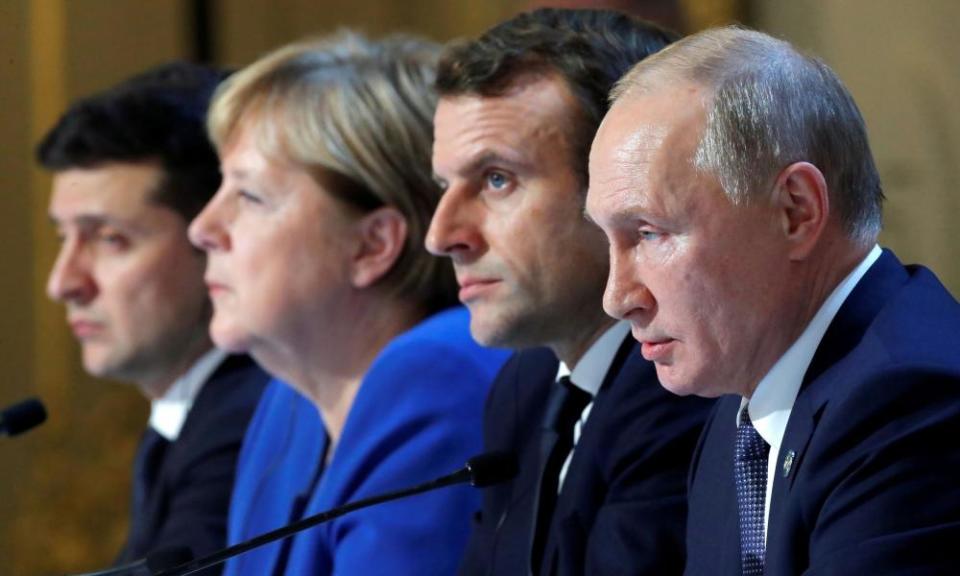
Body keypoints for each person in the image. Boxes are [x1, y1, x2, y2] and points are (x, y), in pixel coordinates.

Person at [587, 25, 960, 576]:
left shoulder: (910, 401)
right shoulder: (736, 417)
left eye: (648, 233)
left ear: (796, 211)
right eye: (607, 239)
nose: (617, 298)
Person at [188, 33, 510, 576]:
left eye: (249, 196)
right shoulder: (287, 404)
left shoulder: (438, 377)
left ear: (372, 245)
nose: (203, 229)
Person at [425, 9, 714, 575]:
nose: (442, 236)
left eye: (496, 179)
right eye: (442, 185)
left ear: (619, 184)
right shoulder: (526, 385)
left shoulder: (684, 389)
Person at [39, 62, 269, 567]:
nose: (63, 283)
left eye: (109, 239)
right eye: (64, 237)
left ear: (213, 239)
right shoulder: (194, 407)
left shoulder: (246, 420)